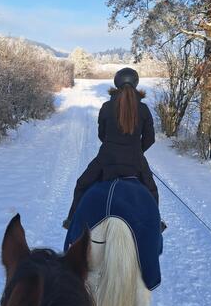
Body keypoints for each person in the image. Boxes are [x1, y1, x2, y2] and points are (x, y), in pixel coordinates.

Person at [63, 67, 163, 230]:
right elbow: (149, 139)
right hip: (135, 160)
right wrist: (136, 151)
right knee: (151, 191)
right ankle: (156, 225)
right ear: (136, 83)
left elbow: (102, 134)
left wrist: (112, 146)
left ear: (116, 83)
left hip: (106, 158)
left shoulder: (106, 107)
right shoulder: (144, 109)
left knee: (82, 184)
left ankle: (71, 220)